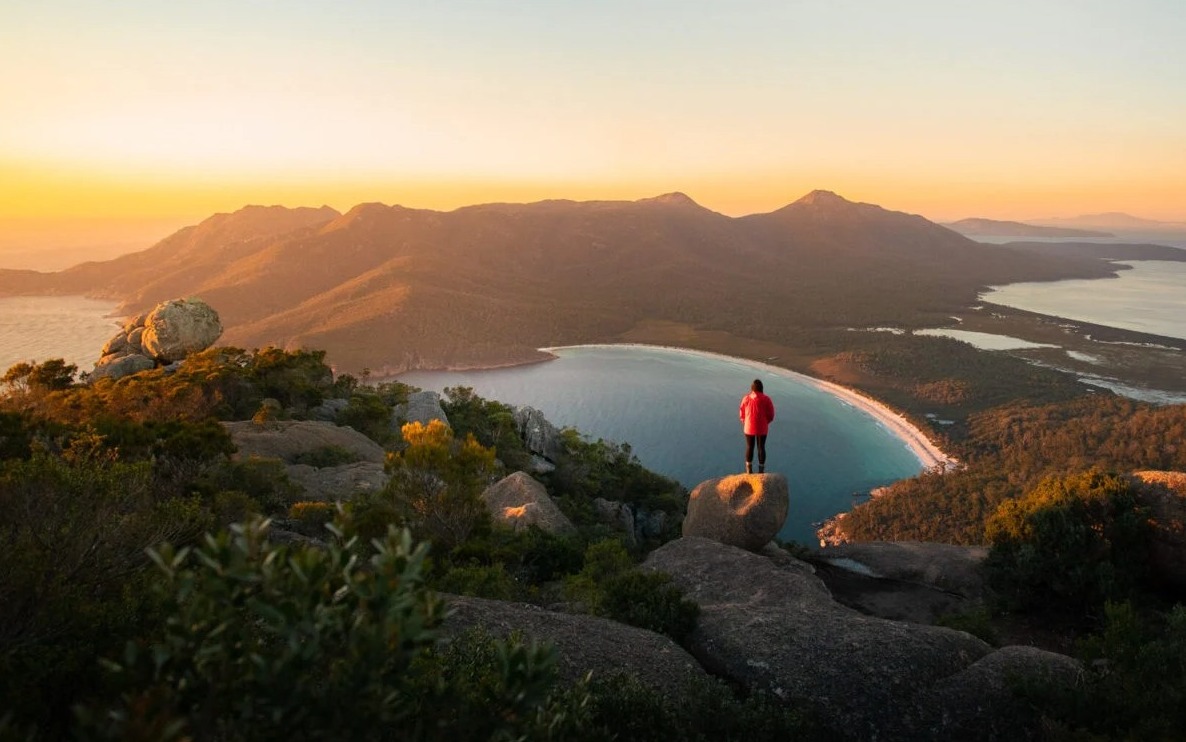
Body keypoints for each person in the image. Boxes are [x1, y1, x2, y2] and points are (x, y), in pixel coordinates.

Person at [739, 378, 775, 474]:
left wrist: (744, 421)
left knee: (750, 447)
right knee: (761, 447)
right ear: (761, 388)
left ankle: (748, 470)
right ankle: (761, 470)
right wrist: (765, 422)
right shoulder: (766, 399)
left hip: (749, 427)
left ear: (752, 388)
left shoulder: (746, 398)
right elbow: (771, 414)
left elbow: (741, 413)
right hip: (762, 427)